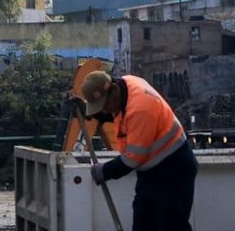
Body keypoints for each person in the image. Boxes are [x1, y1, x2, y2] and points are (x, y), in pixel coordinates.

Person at [80, 70, 198, 231]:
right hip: (151, 173)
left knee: (172, 225)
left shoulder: (140, 109)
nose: (105, 111)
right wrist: (87, 110)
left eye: (104, 105)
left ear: (114, 89)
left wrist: (105, 171)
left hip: (174, 171)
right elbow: (118, 115)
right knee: (143, 224)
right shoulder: (126, 86)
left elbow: (133, 159)